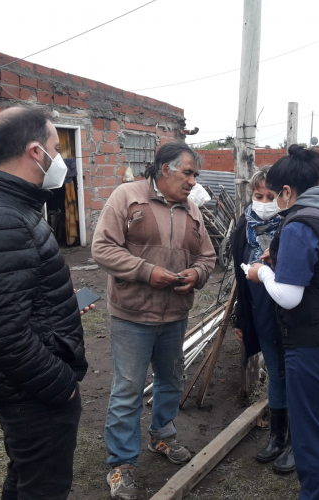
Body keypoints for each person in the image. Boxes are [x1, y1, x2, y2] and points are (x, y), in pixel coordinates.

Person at [0, 106, 90, 500]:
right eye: (54, 147)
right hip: (30, 393)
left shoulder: (4, 202)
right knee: (43, 487)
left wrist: (60, 309)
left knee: (26, 474)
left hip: (20, 387)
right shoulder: (2, 218)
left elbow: (9, 298)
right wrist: (61, 387)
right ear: (35, 152)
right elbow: (2, 336)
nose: (59, 158)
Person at [92, 142, 216, 500]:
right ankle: (121, 464)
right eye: (187, 173)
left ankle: (162, 436)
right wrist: (146, 272)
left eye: (195, 175)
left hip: (175, 314)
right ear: (165, 169)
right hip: (132, 314)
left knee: (171, 381)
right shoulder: (127, 197)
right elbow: (102, 248)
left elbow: (208, 256)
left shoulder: (192, 210)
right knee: (128, 389)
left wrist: (197, 273)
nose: (193, 181)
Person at [247, 145, 319, 500]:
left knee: (311, 430)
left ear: (287, 191)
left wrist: (263, 273)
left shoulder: (300, 222)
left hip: (314, 346)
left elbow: (289, 296)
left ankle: (316, 495)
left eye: (277, 193)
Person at [230, 166, 295, 473]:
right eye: (259, 196)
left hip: (294, 316)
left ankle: (298, 440)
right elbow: (240, 282)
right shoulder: (243, 226)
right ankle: (277, 437)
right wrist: (241, 321)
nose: (265, 201)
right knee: (276, 374)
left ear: (284, 194)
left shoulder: (295, 225)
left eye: (271, 196)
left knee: (297, 377)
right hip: (261, 311)